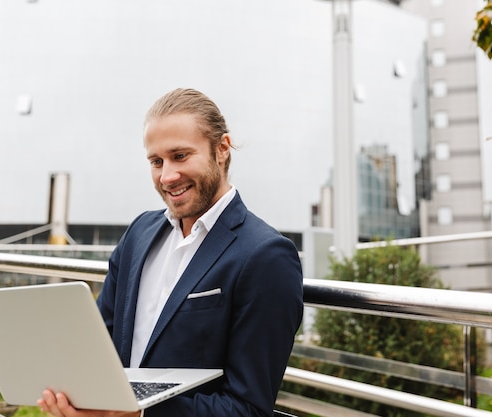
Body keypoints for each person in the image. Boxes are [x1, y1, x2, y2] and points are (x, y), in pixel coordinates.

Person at [38, 88, 304, 417]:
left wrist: (137, 414)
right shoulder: (139, 234)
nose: (167, 176)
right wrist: (74, 394)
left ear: (222, 149)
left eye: (180, 156)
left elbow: (247, 409)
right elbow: (98, 343)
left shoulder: (266, 256)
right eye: (156, 161)